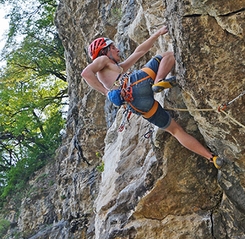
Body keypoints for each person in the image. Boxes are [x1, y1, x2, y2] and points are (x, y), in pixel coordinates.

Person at [81, 26, 223, 168]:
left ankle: (212, 158)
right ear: (104, 51)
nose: (117, 49)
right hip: (136, 83)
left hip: (137, 105)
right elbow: (86, 73)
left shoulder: (117, 68)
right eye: (112, 47)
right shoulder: (103, 60)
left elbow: (140, 51)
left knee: (176, 130)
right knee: (168, 55)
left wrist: (157, 34)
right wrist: (106, 93)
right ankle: (158, 81)